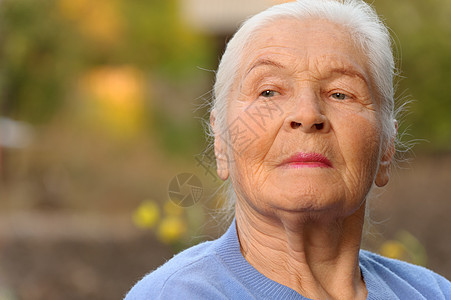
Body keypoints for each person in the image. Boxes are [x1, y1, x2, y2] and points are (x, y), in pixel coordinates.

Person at [125, 0, 451, 299]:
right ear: (221, 142)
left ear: (387, 148)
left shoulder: (432, 292)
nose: (307, 115)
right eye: (268, 92)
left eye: (341, 94)